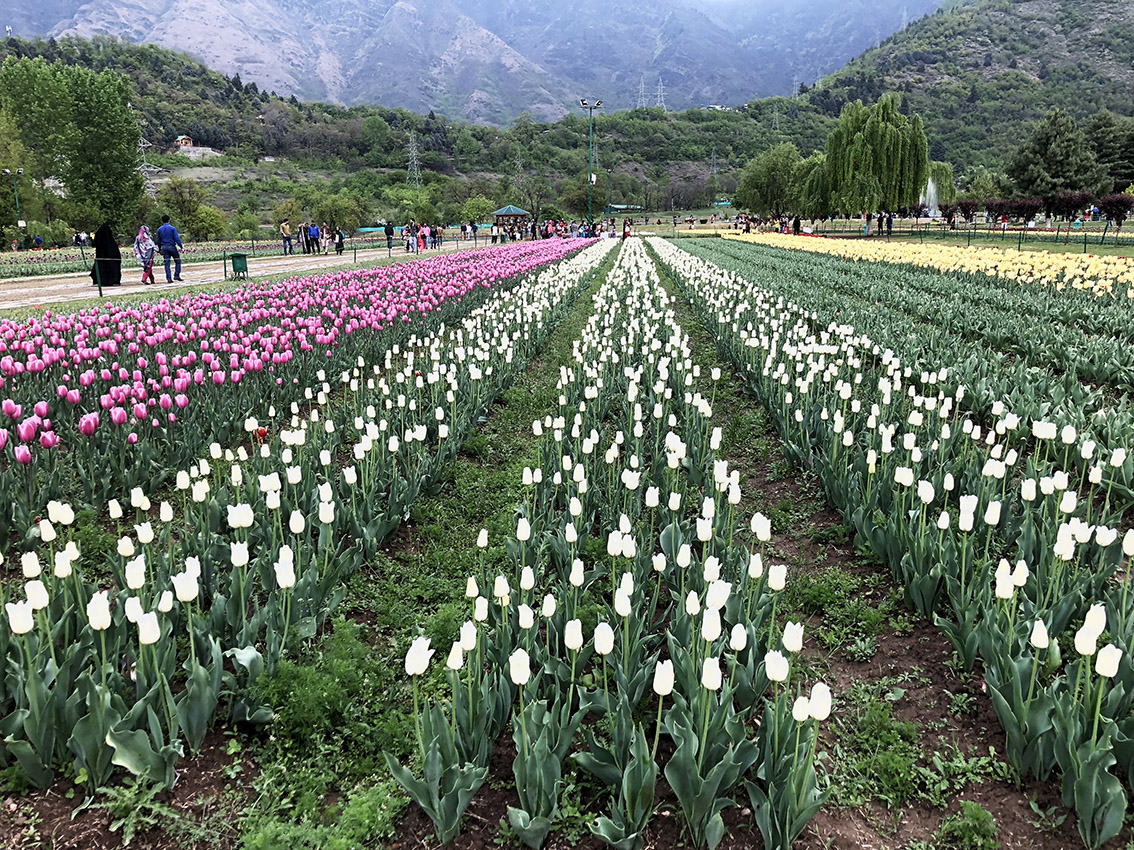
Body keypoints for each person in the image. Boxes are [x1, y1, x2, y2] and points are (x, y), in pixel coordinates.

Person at [89, 223, 122, 288]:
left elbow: (94, 243)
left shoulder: (100, 241)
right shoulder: (111, 243)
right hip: (110, 257)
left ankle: (101, 280)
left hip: (101, 256)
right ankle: (113, 280)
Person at [155, 215, 184, 282]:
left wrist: (160, 249)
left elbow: (158, 240)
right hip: (171, 246)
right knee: (177, 261)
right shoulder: (172, 228)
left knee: (167, 263)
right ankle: (176, 275)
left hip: (164, 247)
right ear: (169, 220)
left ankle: (169, 278)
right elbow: (177, 238)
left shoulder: (159, 229)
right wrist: (181, 246)